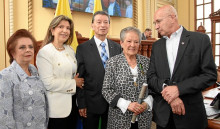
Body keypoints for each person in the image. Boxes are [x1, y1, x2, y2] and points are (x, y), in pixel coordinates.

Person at [147, 5, 217, 129]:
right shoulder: (157, 46)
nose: (156, 26)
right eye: (155, 23)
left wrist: (179, 89)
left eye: (158, 21)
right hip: (164, 117)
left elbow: (210, 75)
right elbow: (151, 77)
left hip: (191, 116)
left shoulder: (200, 40)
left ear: (172, 17)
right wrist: (169, 92)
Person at [36, 15, 84, 129]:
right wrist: (74, 83)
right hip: (56, 110)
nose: (65, 31)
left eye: (68, 28)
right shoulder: (44, 52)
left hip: (73, 105)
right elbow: (48, 83)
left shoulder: (70, 50)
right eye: (61, 27)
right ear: (52, 30)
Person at [76, 11, 122, 129]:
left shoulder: (117, 47)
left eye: (106, 22)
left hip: (113, 103)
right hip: (91, 103)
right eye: (99, 22)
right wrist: (81, 104)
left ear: (109, 25)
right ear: (92, 25)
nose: (103, 25)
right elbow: (79, 78)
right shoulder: (82, 48)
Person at [102, 26, 153, 129]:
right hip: (119, 119)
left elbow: (153, 88)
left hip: (143, 119)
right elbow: (106, 90)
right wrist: (127, 105)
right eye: (129, 41)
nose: (132, 45)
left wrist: (146, 104)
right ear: (121, 43)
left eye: (136, 42)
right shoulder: (113, 62)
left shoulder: (147, 62)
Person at [0, 29, 48, 129]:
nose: (28, 50)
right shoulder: (5, 76)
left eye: (31, 47)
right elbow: (5, 117)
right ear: (12, 52)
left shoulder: (34, 71)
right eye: (22, 47)